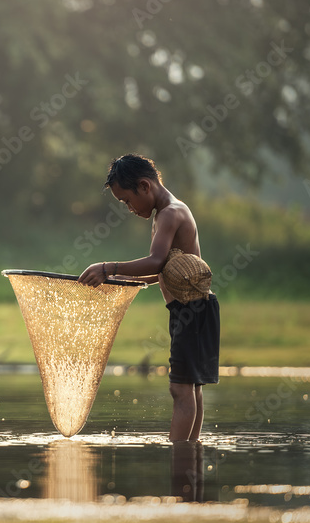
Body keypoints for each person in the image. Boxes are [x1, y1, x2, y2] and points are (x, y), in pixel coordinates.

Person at [78, 154, 219, 441]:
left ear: (144, 186)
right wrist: (116, 280)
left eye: (127, 200)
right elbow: (161, 272)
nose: (128, 208)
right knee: (191, 387)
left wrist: (108, 268)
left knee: (180, 389)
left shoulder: (170, 213)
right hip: (195, 310)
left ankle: (179, 456)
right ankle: (190, 455)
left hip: (190, 309)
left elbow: (155, 262)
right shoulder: (168, 212)